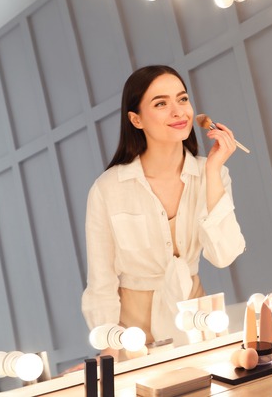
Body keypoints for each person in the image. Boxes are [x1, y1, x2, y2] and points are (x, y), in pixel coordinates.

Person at [81, 65, 246, 351]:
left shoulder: (212, 172)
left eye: (182, 99)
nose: (178, 112)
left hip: (199, 319)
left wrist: (214, 170)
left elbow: (224, 255)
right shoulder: (108, 189)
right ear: (136, 119)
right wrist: (109, 349)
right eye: (161, 103)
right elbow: (101, 281)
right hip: (131, 330)